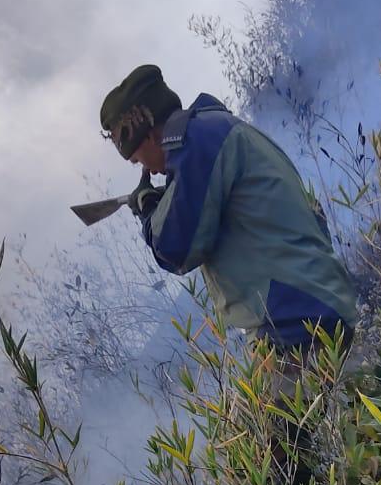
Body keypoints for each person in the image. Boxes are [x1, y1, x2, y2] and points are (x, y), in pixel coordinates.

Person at [100, 64, 357, 356]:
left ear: (147, 136)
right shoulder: (219, 128)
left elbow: (175, 248)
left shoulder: (197, 144)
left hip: (295, 320)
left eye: (138, 160)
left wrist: (148, 209)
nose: (147, 170)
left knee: (278, 403)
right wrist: (169, 196)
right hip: (317, 304)